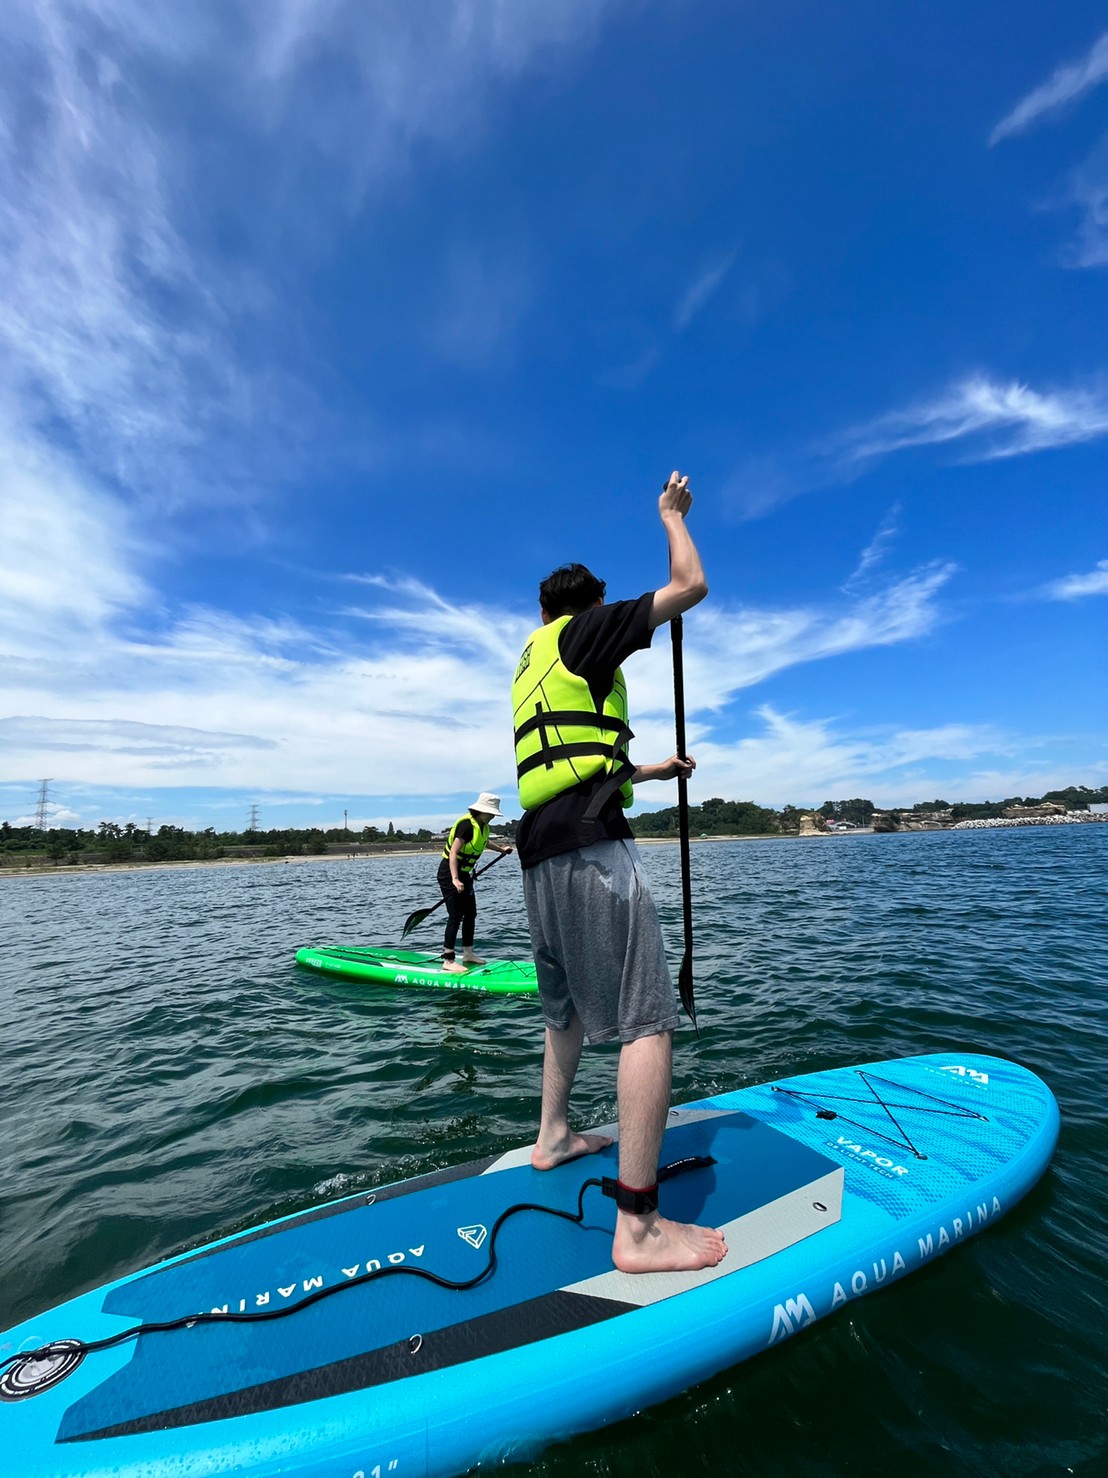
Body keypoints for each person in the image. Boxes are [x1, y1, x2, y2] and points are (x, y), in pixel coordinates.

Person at [511, 471, 727, 1275]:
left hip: (538, 853)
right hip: (590, 853)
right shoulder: (588, 628)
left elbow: (573, 758)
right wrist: (670, 516)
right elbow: (689, 585)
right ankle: (637, 1227)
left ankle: (553, 1136)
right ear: (584, 607)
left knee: (564, 1011)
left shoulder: (531, 656)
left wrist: (650, 771)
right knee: (647, 1020)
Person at [438, 793, 513, 974]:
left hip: (464, 875)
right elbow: (454, 853)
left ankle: (468, 954)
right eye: (491, 812)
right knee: (455, 915)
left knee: (471, 914)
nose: (493, 816)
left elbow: (484, 842)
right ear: (481, 810)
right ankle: (448, 960)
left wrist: (501, 850)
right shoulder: (466, 825)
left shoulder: (482, 826)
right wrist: (455, 879)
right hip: (450, 873)